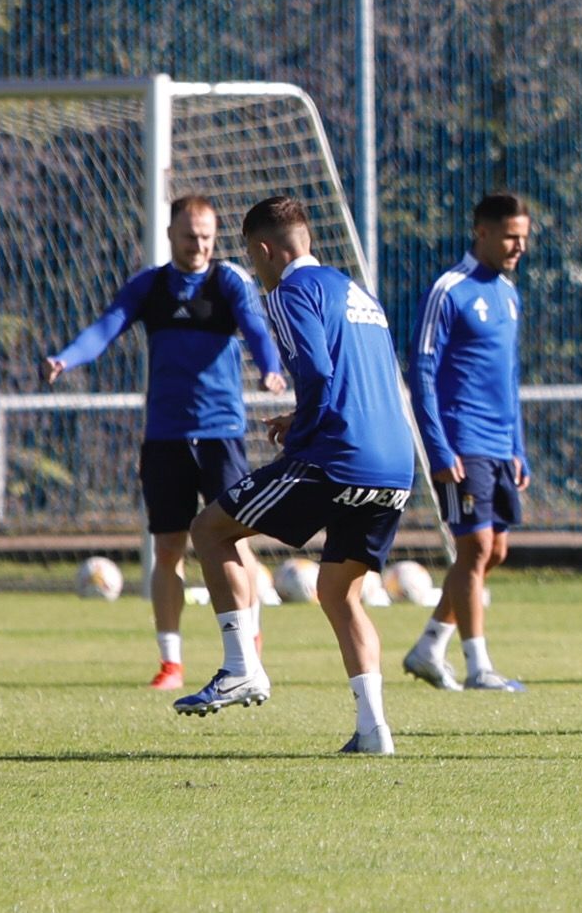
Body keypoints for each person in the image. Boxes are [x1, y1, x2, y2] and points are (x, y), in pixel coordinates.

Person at [175, 196, 415, 755]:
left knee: (210, 529)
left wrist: (302, 430)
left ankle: (241, 668)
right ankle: (374, 730)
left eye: (251, 256)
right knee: (339, 591)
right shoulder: (358, 294)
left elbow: (316, 371)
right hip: (395, 466)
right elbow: (356, 378)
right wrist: (303, 415)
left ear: (264, 250)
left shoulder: (287, 291)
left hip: (337, 457)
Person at [43, 196, 285, 690]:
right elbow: (105, 329)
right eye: (190, 235)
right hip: (166, 437)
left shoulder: (230, 282)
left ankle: (249, 647)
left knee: (236, 543)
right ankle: (171, 663)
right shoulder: (150, 286)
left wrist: (272, 370)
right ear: (171, 234)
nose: (198, 245)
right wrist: (66, 359)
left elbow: (257, 331)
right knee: (168, 548)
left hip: (222, 435)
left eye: (207, 237)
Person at [401, 193, 533, 693]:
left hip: (500, 444)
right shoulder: (448, 290)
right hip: (461, 441)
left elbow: (510, 376)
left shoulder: (508, 293)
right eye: (510, 236)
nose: (519, 246)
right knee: (475, 546)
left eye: (523, 236)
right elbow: (423, 372)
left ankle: (429, 646)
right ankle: (479, 667)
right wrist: (437, 449)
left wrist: (518, 447)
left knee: (494, 550)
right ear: (481, 232)